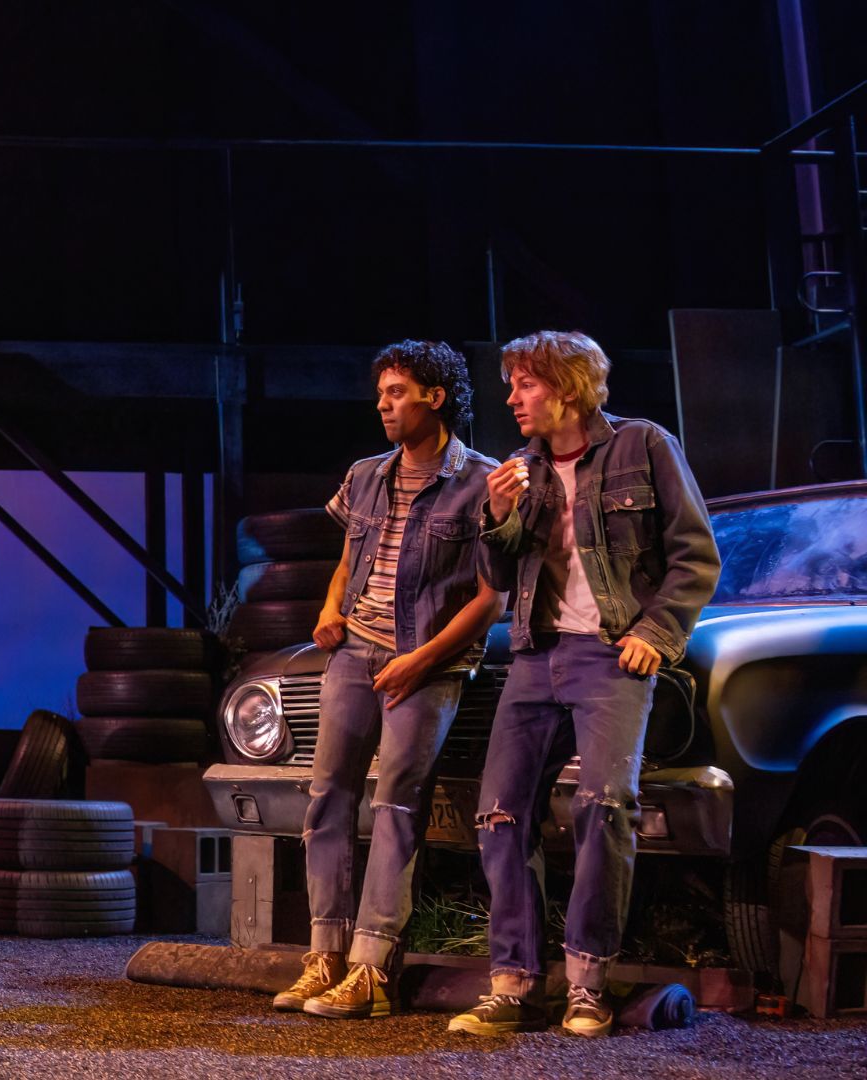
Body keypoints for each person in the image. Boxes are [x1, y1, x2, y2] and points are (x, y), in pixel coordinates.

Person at [450, 330, 720, 1038]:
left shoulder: (644, 446)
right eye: (511, 385)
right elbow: (502, 579)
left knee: (604, 808)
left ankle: (588, 984)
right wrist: (499, 520)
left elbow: (695, 557)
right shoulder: (520, 470)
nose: (511, 398)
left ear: (567, 386)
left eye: (524, 384)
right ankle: (513, 983)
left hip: (610, 655)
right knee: (500, 813)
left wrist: (654, 636)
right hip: (536, 656)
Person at [271, 341, 505, 1020]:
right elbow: (351, 555)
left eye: (398, 392)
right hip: (355, 654)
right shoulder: (367, 474)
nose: (384, 405)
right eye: (381, 394)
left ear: (436, 397)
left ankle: (372, 968)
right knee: (327, 798)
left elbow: (491, 598)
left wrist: (423, 658)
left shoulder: (480, 482)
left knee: (396, 805)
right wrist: (328, 607)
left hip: (425, 666)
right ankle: (325, 954)